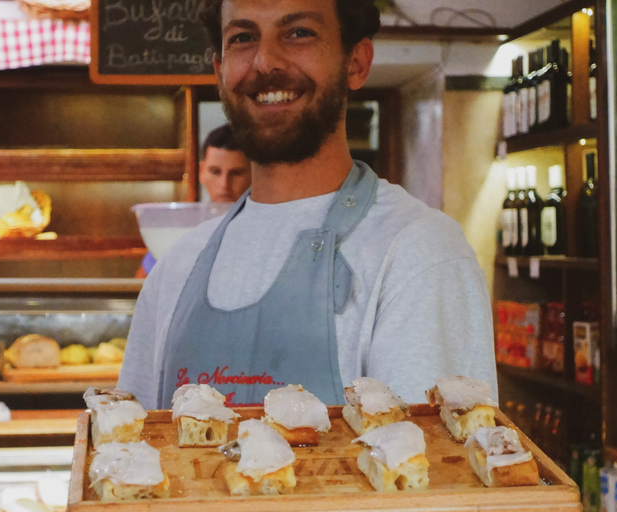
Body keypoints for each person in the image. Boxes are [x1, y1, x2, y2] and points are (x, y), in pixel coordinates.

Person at [119, 0, 497, 408]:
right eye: (243, 38)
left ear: (356, 62)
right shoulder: (177, 267)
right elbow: (128, 449)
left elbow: (439, 467)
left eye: (299, 32)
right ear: (220, 71)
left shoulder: (418, 252)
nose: (265, 62)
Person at [134, 123, 251, 277]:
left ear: (254, 175)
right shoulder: (181, 230)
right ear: (201, 172)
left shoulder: (268, 229)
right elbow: (139, 291)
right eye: (215, 172)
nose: (224, 184)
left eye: (236, 173)